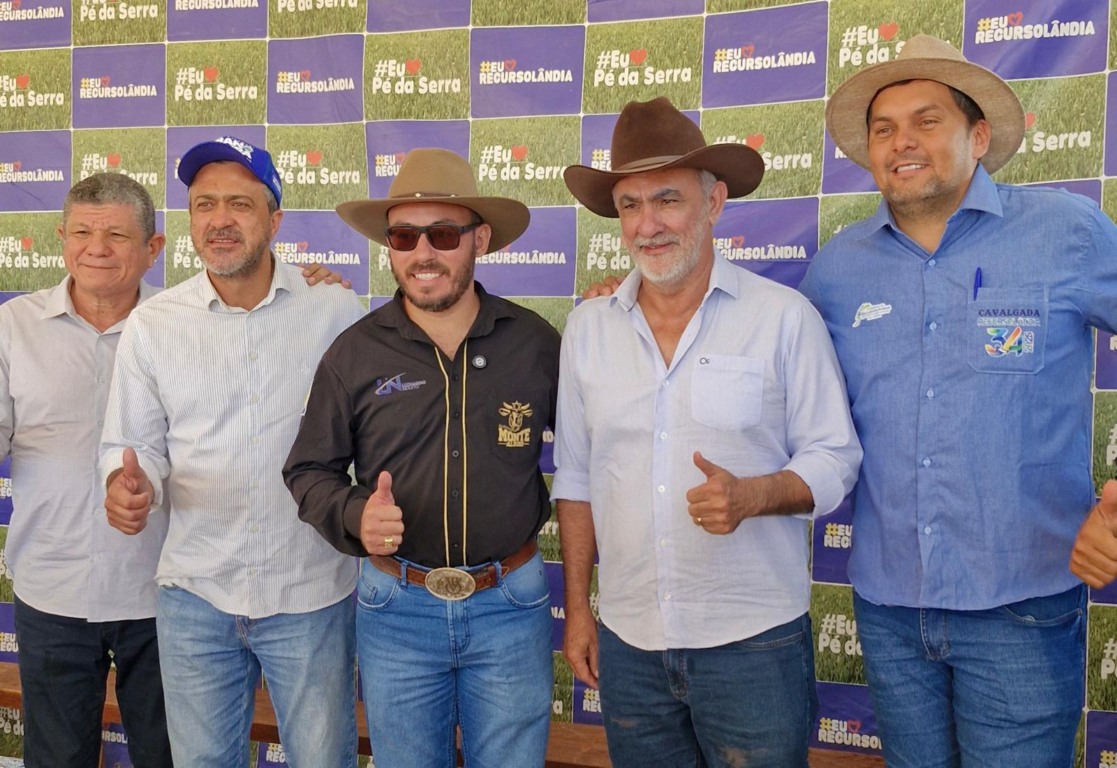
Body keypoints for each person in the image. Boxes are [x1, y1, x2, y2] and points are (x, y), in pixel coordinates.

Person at [799, 34, 1117, 767]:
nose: (901, 141)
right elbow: (773, 382)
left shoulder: (1065, 234)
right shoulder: (837, 268)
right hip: (886, 607)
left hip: (1023, 604)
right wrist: (643, 303)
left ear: (977, 136)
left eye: (926, 120)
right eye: (883, 128)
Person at [552, 97, 862, 768]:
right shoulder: (587, 329)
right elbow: (576, 478)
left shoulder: (783, 318)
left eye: (667, 199)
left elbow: (835, 458)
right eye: (629, 205)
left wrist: (756, 494)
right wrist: (579, 610)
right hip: (629, 642)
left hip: (752, 643)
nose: (647, 224)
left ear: (714, 201)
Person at [283, 147, 559, 768]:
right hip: (397, 609)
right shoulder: (353, 352)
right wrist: (356, 515)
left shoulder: (537, 343)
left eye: (442, 233)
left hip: (510, 605)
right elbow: (308, 470)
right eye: (404, 236)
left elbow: (600, 456)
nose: (422, 253)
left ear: (480, 239)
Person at [99, 137, 362, 768]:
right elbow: (132, 446)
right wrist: (127, 484)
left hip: (310, 592)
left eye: (240, 204)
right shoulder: (155, 323)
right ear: (189, 219)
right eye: (204, 204)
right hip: (197, 592)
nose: (220, 219)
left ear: (274, 220)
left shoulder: (336, 311)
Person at [0, 173, 172, 767]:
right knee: (56, 758)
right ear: (60, 237)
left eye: (117, 234)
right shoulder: (12, 326)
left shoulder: (188, 325)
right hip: (52, 588)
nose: (96, 247)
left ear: (155, 247)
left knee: (172, 756)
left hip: (167, 592)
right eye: (82, 231)